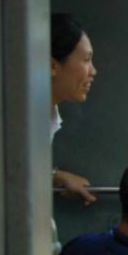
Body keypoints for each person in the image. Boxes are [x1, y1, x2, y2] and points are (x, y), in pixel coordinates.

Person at [51, 13, 98, 205]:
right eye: (87, 60)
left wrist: (54, 176)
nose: (93, 71)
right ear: (52, 66)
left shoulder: (49, 116)